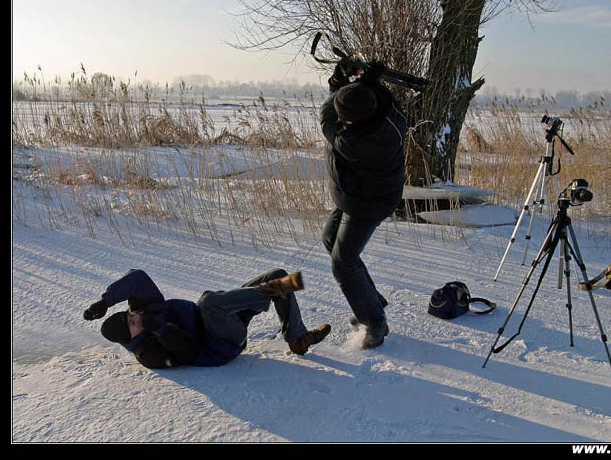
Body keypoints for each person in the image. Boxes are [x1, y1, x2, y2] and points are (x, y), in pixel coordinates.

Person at [320, 59, 408, 349]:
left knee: (343, 262)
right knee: (331, 239)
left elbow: (325, 116)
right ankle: (371, 299)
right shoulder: (384, 107)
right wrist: (365, 82)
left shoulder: (355, 142)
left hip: (368, 202)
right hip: (356, 193)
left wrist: (337, 86)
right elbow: (371, 96)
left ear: (352, 122)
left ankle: (374, 321)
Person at [82, 268, 331, 369]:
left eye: (129, 314)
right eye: (132, 324)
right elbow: (188, 352)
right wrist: (162, 331)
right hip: (219, 345)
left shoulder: (144, 312)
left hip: (222, 318)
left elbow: (138, 278)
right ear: (131, 337)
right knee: (208, 302)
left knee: (277, 275)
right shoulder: (148, 354)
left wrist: (106, 301)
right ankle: (272, 289)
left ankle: (298, 339)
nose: (136, 317)